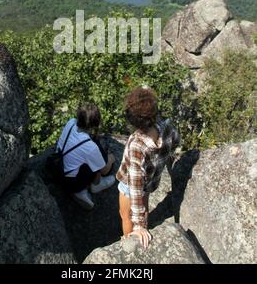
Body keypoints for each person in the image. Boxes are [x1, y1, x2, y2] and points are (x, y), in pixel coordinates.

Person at [117, 87, 180, 249]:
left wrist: (137, 225)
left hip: (129, 184)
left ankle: (128, 240)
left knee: (125, 215)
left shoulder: (136, 144)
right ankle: (144, 224)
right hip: (151, 181)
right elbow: (176, 140)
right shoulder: (166, 126)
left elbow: (135, 186)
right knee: (143, 205)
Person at [57, 103, 116, 210]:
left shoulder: (71, 122)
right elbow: (104, 170)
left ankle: (81, 191)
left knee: (91, 153)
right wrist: (111, 159)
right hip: (72, 183)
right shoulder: (89, 147)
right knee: (100, 159)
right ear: (94, 124)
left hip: (58, 168)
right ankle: (95, 185)